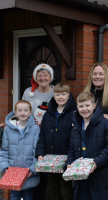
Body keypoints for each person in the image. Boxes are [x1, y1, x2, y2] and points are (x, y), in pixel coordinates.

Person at [65, 92, 108, 200]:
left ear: (94, 106)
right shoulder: (75, 125)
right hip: (82, 180)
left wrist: (97, 162)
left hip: (101, 178)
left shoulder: (105, 124)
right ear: (77, 107)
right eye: (81, 106)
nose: (84, 109)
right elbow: (72, 149)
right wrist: (69, 163)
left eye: (87, 105)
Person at [35, 83, 76, 200]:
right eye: (57, 94)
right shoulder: (48, 114)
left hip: (67, 159)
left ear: (69, 95)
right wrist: (40, 154)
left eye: (63, 94)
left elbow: (76, 138)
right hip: (50, 161)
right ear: (54, 96)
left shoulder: (74, 114)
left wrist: (72, 158)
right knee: (51, 191)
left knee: (66, 190)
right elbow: (42, 136)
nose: (60, 97)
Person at [22, 63, 54, 200]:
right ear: (35, 77)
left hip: (50, 138)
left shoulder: (55, 91)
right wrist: (11, 121)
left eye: (45, 75)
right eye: (39, 75)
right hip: (31, 137)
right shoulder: (28, 92)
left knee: (47, 174)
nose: (42, 78)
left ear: (50, 77)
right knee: (34, 172)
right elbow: (21, 111)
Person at [0, 100, 40, 200]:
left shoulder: (35, 129)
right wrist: (5, 166)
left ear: (30, 112)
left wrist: (32, 168)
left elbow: (37, 151)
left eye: (26, 110)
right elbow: (4, 150)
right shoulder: (8, 129)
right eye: (20, 110)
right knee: (14, 195)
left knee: (28, 194)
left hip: (28, 171)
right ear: (15, 112)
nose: (23, 113)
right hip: (13, 171)